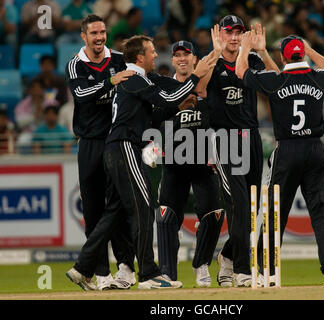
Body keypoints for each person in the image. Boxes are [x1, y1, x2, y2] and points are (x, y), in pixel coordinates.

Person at [66, 35, 215, 289]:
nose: (157, 55)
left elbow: (154, 115)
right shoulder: (133, 78)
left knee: (114, 212)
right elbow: (165, 100)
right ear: (140, 57)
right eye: (152, 51)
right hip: (125, 148)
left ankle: (82, 267)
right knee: (144, 207)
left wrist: (177, 107)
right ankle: (148, 274)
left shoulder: (135, 80)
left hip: (116, 149)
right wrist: (193, 77)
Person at [236, 33, 324, 286]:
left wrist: (246, 48)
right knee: (320, 212)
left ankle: (268, 271)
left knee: (275, 212)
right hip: (316, 149)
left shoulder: (277, 80)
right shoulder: (319, 78)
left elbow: (242, 72)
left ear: (283, 56)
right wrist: (310, 48)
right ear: (302, 53)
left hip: (287, 150)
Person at [197, 17, 279, 287]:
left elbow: (277, 81)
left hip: (252, 136)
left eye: (239, 33)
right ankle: (243, 270)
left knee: (252, 207)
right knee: (239, 205)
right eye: (229, 32)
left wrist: (263, 51)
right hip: (224, 138)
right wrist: (216, 52)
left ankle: (229, 257)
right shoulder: (212, 58)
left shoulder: (252, 61)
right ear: (220, 34)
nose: (234, 37)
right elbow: (199, 89)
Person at [65, 14, 137, 291]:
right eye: (93, 33)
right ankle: (100, 273)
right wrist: (111, 82)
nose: (99, 38)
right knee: (94, 209)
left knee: (118, 207)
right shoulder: (75, 64)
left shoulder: (118, 59)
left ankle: (126, 267)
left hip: (117, 141)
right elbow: (82, 94)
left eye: (103, 32)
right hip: (90, 143)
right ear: (84, 36)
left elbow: (136, 84)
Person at [151, 40, 224, 287]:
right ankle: (167, 272)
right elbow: (152, 119)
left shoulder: (206, 85)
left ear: (195, 59)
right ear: (172, 60)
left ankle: (201, 264)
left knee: (214, 214)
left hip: (203, 161)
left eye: (186, 54)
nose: (182, 59)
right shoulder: (164, 87)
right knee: (166, 216)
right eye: (177, 55)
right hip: (173, 162)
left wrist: (218, 48)